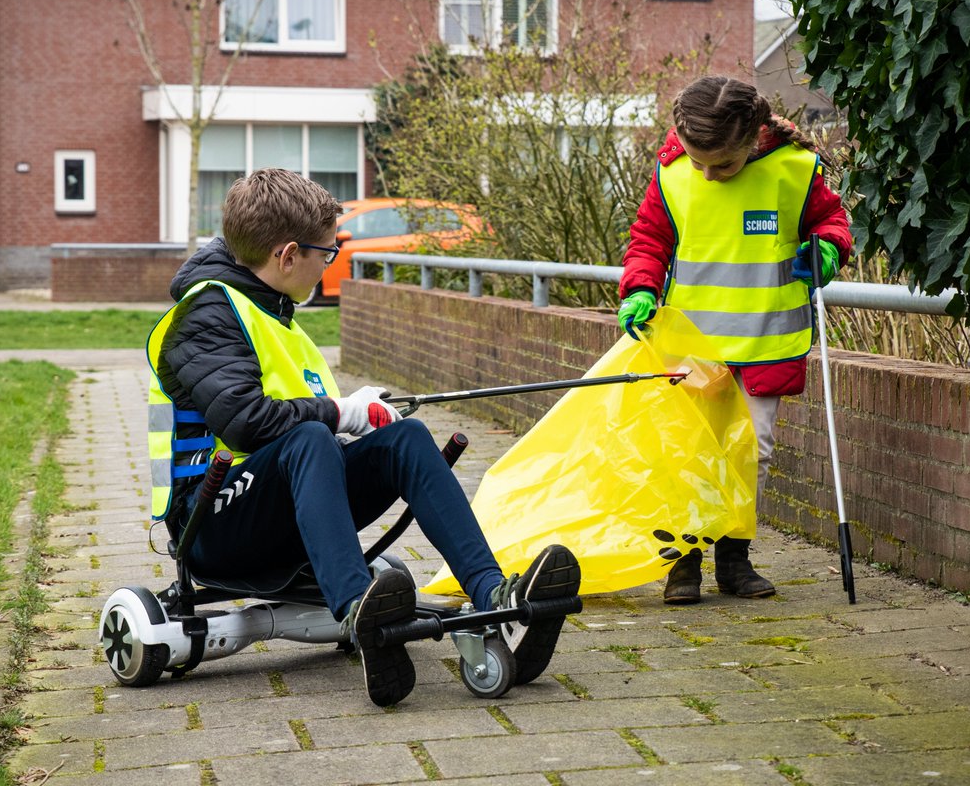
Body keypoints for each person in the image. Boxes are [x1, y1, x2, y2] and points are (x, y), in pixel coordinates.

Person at [147, 168, 580, 706]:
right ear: (287, 255)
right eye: (325, 253)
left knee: (407, 438)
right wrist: (341, 412)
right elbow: (244, 422)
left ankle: (496, 593)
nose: (330, 263)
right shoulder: (207, 313)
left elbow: (303, 432)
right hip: (210, 528)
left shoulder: (271, 307)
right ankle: (360, 610)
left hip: (276, 509)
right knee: (310, 437)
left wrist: (361, 418)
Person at [617, 76, 852, 605]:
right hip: (689, 344)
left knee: (751, 454)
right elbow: (649, 239)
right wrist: (639, 288)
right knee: (687, 453)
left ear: (754, 137)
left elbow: (831, 221)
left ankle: (734, 556)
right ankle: (683, 562)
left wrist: (828, 251)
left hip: (765, 340)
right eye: (700, 162)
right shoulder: (674, 173)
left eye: (722, 163)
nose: (708, 174)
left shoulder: (794, 170)